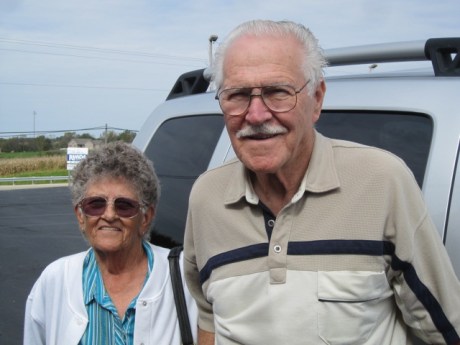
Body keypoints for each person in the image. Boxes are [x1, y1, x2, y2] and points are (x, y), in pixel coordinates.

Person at [183, 19, 460, 345]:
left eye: (277, 92)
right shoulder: (206, 196)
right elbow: (209, 320)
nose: (256, 115)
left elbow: (445, 330)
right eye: (238, 95)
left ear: (317, 99)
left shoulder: (382, 182)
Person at [24, 141, 197, 345]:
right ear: (80, 215)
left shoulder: (185, 277)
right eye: (95, 204)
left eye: (124, 205)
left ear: (146, 217)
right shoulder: (54, 280)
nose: (109, 214)